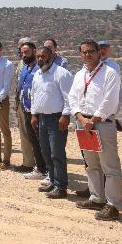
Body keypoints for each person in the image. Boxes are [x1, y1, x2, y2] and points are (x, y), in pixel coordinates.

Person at [69, 40, 122, 221]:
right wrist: (81, 118)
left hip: (102, 123)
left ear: (99, 52)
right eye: (84, 52)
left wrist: (92, 120)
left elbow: (110, 100)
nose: (87, 55)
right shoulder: (80, 74)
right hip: (84, 123)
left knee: (110, 167)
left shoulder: (110, 73)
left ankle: (113, 205)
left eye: (91, 51)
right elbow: (72, 98)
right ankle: (97, 198)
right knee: (91, 164)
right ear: (80, 54)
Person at [30, 45, 74, 198]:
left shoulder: (61, 73)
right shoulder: (37, 74)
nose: (40, 59)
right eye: (38, 57)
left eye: (43, 56)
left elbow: (69, 97)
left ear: (52, 57)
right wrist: (34, 114)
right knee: (46, 152)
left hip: (57, 119)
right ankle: (53, 181)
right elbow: (34, 95)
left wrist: (65, 115)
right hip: (42, 118)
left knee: (57, 153)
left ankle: (61, 187)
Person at [15, 40, 48, 177]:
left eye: (27, 52)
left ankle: (47, 170)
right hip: (26, 109)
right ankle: (40, 168)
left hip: (37, 111)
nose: (24, 55)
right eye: (22, 53)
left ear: (34, 52)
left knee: (42, 141)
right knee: (33, 140)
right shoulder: (25, 68)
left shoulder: (40, 68)